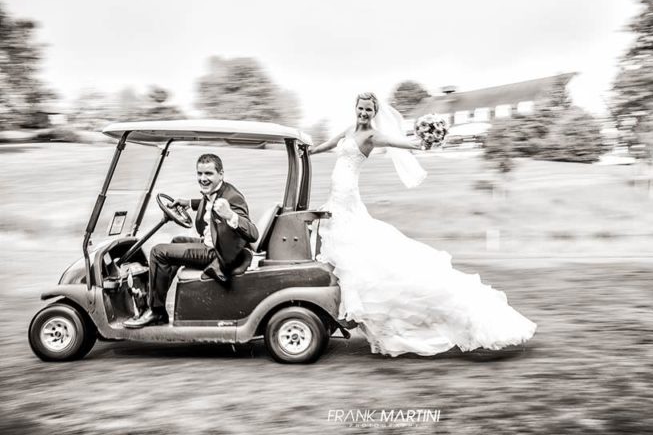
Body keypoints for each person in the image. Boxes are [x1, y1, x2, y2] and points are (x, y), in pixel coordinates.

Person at [309, 92, 537, 356]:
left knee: (357, 257)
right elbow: (332, 142)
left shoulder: (372, 135)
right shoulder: (349, 129)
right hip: (336, 198)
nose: (363, 113)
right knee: (344, 251)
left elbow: (399, 143)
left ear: (374, 112)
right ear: (355, 108)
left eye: (368, 110)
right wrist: (311, 150)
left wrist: (424, 142)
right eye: (361, 108)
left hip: (346, 199)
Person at [125, 153, 259, 328]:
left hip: (218, 254)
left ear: (221, 174)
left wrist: (230, 215)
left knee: (158, 252)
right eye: (200, 174)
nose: (203, 179)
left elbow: (253, 233)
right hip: (213, 244)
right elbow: (208, 203)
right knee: (176, 240)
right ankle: (155, 297)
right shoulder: (215, 191)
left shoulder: (232, 198)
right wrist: (188, 203)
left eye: (209, 174)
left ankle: (156, 311)